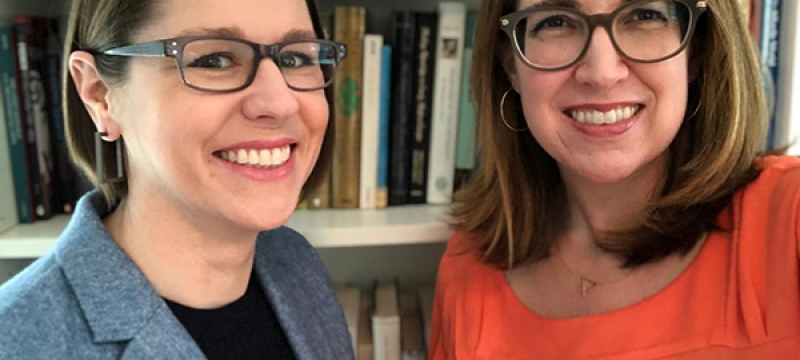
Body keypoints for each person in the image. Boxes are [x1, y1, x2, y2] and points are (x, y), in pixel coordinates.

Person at [431, 0, 800, 358]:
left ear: (696, 49)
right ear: (511, 62)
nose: (602, 72)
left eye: (644, 14)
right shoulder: (469, 271)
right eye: (556, 21)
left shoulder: (789, 221)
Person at [0, 0, 354, 358]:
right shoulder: (17, 341)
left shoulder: (296, 263)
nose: (281, 103)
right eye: (214, 60)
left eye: (295, 59)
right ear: (99, 94)